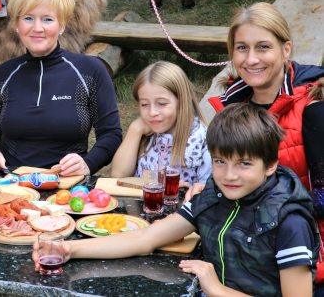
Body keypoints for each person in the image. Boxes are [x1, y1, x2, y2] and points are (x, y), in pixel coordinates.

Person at [33, 104, 319, 297]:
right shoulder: (213, 196)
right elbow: (145, 238)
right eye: (219, 161)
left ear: (270, 165)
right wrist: (69, 248)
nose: (229, 175)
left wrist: (216, 289)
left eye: (244, 164)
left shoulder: (289, 221)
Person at [206, 2, 324, 290]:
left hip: (307, 258)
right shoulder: (232, 106)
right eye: (241, 48)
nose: (251, 59)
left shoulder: (315, 108)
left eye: (263, 47)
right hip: (244, 247)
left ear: (286, 49)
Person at [0, 0, 122, 175]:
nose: (37, 28)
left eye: (47, 19)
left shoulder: (89, 71)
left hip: (65, 185)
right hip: (11, 184)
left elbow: (111, 134)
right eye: (28, 18)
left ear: (61, 25)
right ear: (17, 24)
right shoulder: (4, 74)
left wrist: (87, 164)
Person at [110, 61, 211, 188]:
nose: (152, 112)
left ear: (181, 101)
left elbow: (210, 190)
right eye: (144, 104)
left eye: (162, 103)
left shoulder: (203, 139)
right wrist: (134, 130)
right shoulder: (145, 133)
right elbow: (118, 176)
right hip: (143, 206)